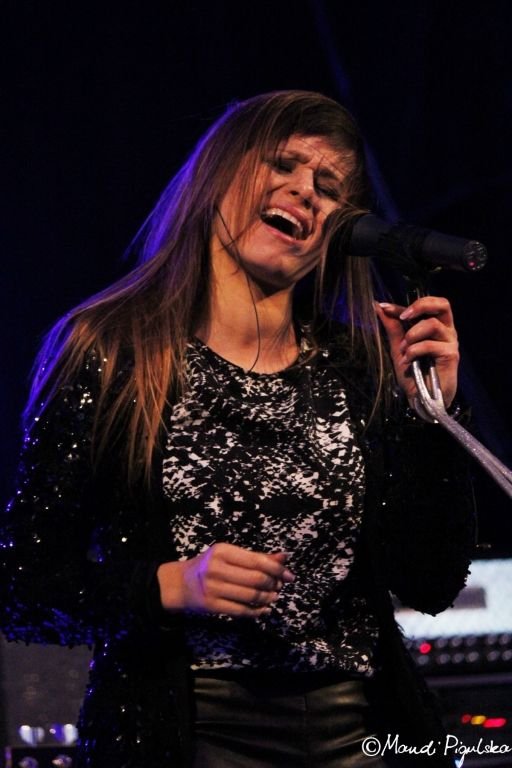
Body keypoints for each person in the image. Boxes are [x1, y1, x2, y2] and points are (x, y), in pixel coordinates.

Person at [0, 91, 476, 767]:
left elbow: (431, 582)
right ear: (219, 173)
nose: (305, 191)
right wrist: (170, 585)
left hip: (361, 733)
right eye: (283, 164)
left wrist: (432, 414)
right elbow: (24, 581)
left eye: (329, 188)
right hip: (191, 733)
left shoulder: (358, 364)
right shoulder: (114, 353)